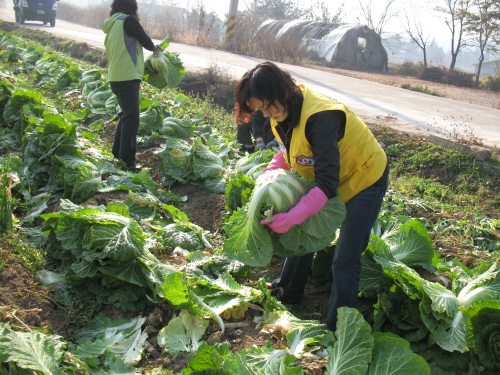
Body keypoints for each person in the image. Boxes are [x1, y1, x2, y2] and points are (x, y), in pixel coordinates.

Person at [234, 61, 389, 331]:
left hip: (365, 178)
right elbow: (290, 151)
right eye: (261, 110)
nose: (267, 114)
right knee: (303, 234)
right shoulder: (283, 113)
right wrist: (271, 170)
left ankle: (339, 327)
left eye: (268, 106)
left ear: (281, 92)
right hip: (329, 176)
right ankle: (288, 290)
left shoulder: (320, 117)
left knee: (345, 258)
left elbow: (327, 184)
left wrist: (293, 215)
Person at [102, 0, 161, 172]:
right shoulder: (129, 21)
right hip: (128, 77)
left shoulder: (113, 23)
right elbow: (148, 43)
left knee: (126, 115)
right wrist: (158, 52)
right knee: (132, 118)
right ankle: (128, 163)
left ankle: (117, 154)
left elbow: (125, 51)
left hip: (116, 76)